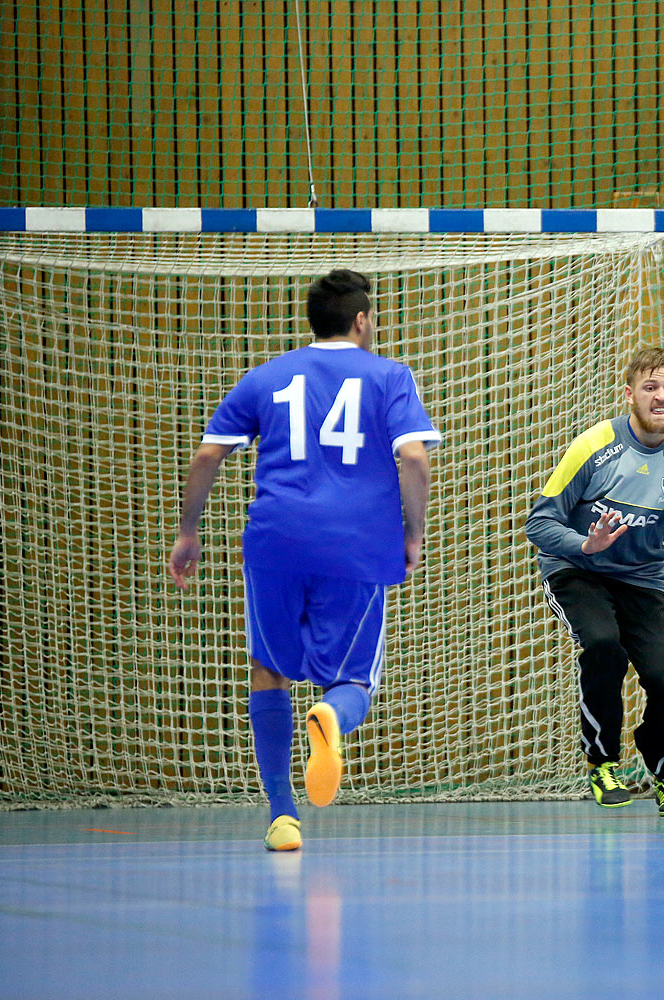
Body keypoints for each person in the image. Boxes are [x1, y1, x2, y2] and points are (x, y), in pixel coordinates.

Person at [167, 269, 438, 852]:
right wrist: (413, 533)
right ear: (362, 320)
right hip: (358, 543)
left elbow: (208, 453)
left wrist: (188, 532)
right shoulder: (390, 376)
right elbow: (413, 458)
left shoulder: (266, 377)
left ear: (312, 321)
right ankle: (333, 718)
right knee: (354, 679)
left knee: (269, 667)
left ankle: (282, 815)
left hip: (275, 542)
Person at [525, 347, 664, 816]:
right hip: (578, 572)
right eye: (650, 387)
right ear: (629, 395)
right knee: (605, 647)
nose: (660, 397)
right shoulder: (593, 446)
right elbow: (539, 523)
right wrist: (585, 544)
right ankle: (603, 763)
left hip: (644, 582)